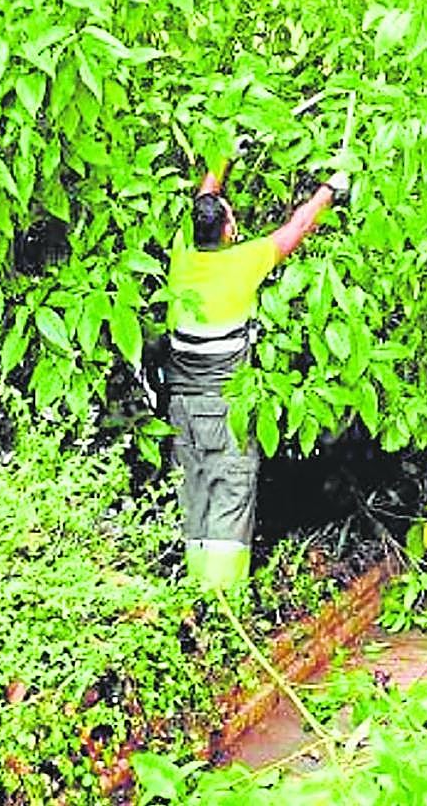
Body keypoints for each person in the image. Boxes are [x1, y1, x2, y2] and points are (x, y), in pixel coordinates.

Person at [164, 143, 350, 591]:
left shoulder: (181, 259)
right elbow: (297, 227)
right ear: (230, 230)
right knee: (230, 499)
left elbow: (204, 204)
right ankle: (224, 603)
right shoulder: (242, 264)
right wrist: (330, 188)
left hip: (182, 411)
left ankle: (193, 597)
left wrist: (222, 157)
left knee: (194, 496)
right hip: (227, 409)